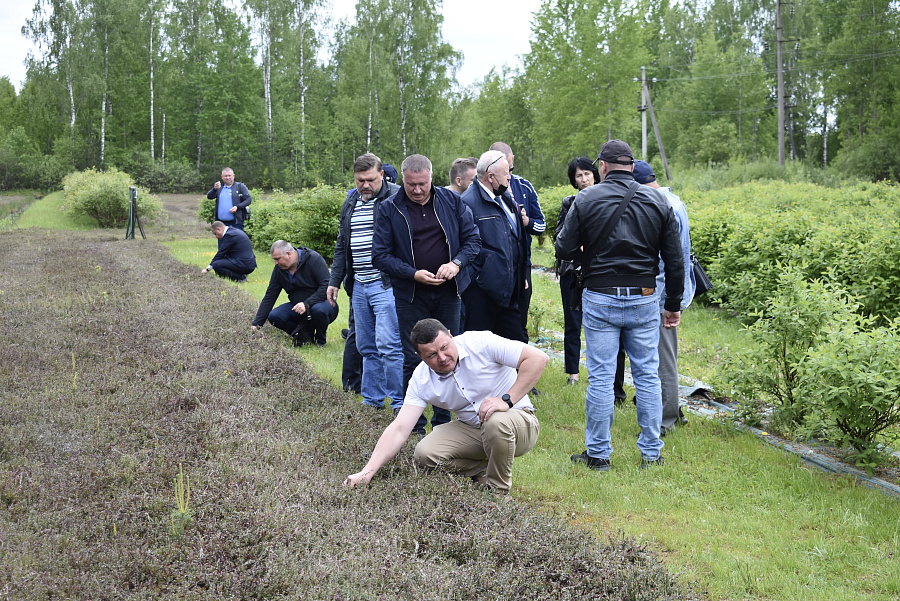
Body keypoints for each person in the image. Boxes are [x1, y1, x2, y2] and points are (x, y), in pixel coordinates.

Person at [556, 140, 684, 471]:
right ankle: (651, 454)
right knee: (647, 376)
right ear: (631, 165)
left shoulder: (585, 198)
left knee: (600, 376)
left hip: (599, 295)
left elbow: (564, 249)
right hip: (644, 296)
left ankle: (598, 455)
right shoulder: (659, 199)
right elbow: (674, 258)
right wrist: (672, 304)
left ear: (602, 167)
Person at [344, 318, 546, 494]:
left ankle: (498, 493)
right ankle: (483, 470)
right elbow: (399, 428)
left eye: (444, 348)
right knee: (425, 455)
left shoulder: (481, 342)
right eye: (431, 355)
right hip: (472, 427)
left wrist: (506, 399)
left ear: (451, 336)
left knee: (495, 421)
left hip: (518, 420)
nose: (441, 358)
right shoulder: (421, 379)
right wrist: (367, 472)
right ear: (419, 355)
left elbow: (537, 358)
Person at [372, 154, 482, 436]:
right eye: (411, 185)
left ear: (431, 178)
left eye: (422, 184)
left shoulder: (452, 201)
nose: (417, 190)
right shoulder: (389, 208)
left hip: (449, 291)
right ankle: (416, 424)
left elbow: (473, 241)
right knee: (414, 356)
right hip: (411, 294)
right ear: (403, 181)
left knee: (448, 355)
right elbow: (380, 256)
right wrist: (412, 273)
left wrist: (455, 264)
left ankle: (445, 420)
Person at [327, 153, 404, 412]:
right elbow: (342, 243)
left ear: (382, 175)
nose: (365, 185)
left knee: (389, 347)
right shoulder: (351, 200)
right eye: (360, 180)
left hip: (386, 285)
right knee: (367, 346)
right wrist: (335, 280)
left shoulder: (397, 197)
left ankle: (399, 404)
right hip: (359, 284)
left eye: (370, 179)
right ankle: (372, 401)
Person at [632, 160, 695, 435]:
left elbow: (672, 260)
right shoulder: (672, 199)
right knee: (661, 354)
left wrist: (670, 300)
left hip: (661, 293)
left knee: (661, 357)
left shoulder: (661, 205)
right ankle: (672, 410)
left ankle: (665, 419)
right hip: (666, 291)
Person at [460, 150, 529, 342]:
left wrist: (519, 273)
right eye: (506, 173)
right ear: (490, 177)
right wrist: (481, 277)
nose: (510, 177)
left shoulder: (505, 196)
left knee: (516, 348)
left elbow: (515, 239)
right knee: (479, 352)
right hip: (481, 293)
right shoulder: (468, 202)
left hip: (509, 290)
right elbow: (465, 246)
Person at [489, 142, 545, 339]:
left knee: (518, 320)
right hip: (492, 268)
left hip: (522, 264)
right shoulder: (481, 190)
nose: (509, 175)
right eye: (505, 170)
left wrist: (526, 221)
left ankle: (521, 366)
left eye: (511, 168)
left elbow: (541, 226)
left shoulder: (524, 186)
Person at [555, 158, 600, 385]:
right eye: (578, 176)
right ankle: (573, 372)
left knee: (599, 323)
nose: (584, 179)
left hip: (598, 272)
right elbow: (560, 236)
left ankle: (599, 371)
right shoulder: (569, 202)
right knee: (572, 322)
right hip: (572, 270)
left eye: (587, 174)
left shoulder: (605, 199)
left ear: (595, 174)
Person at [252, 240, 338, 346]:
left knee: (318, 310)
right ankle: (304, 334)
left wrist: (307, 303)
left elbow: (326, 287)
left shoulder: (313, 258)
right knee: (275, 316)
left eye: (277, 259)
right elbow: (270, 295)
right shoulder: (279, 269)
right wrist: (257, 324)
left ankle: (320, 341)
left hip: (323, 304)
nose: (276, 263)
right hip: (299, 307)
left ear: (288, 254)